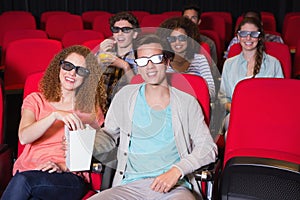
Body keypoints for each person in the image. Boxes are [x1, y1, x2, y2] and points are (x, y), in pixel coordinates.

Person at [89, 34, 217, 200]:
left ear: (167, 61)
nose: (149, 66)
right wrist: (86, 141)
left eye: (156, 59)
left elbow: (208, 147)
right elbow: (109, 136)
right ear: (137, 66)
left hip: (174, 188)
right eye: (142, 61)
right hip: (129, 186)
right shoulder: (125, 96)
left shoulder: (187, 102)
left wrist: (177, 170)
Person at [1, 45, 107, 200]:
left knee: (24, 182)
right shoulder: (35, 100)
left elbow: (97, 152)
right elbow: (24, 137)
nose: (72, 73)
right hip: (30, 171)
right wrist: (54, 116)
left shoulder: (90, 110)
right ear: (59, 67)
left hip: (68, 177)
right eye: (68, 66)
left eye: (80, 70)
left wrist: (61, 166)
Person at [218, 17, 284, 134]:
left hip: (266, 116)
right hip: (236, 115)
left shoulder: (274, 63)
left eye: (253, 34)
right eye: (243, 33)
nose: (248, 38)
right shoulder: (229, 64)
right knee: (232, 130)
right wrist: (237, 109)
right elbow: (223, 98)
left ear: (259, 37)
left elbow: (280, 99)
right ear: (238, 37)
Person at [158, 16, 216, 101]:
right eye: (172, 39)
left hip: (198, 103)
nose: (177, 42)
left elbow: (212, 91)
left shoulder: (200, 59)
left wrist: (195, 98)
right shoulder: (162, 61)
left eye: (182, 38)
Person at [97, 11, 139, 106]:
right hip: (102, 106)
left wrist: (125, 66)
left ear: (135, 34)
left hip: (127, 106)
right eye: (116, 29)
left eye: (126, 30)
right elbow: (88, 83)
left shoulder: (140, 56)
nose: (120, 34)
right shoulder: (104, 52)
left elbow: (138, 89)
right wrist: (99, 59)